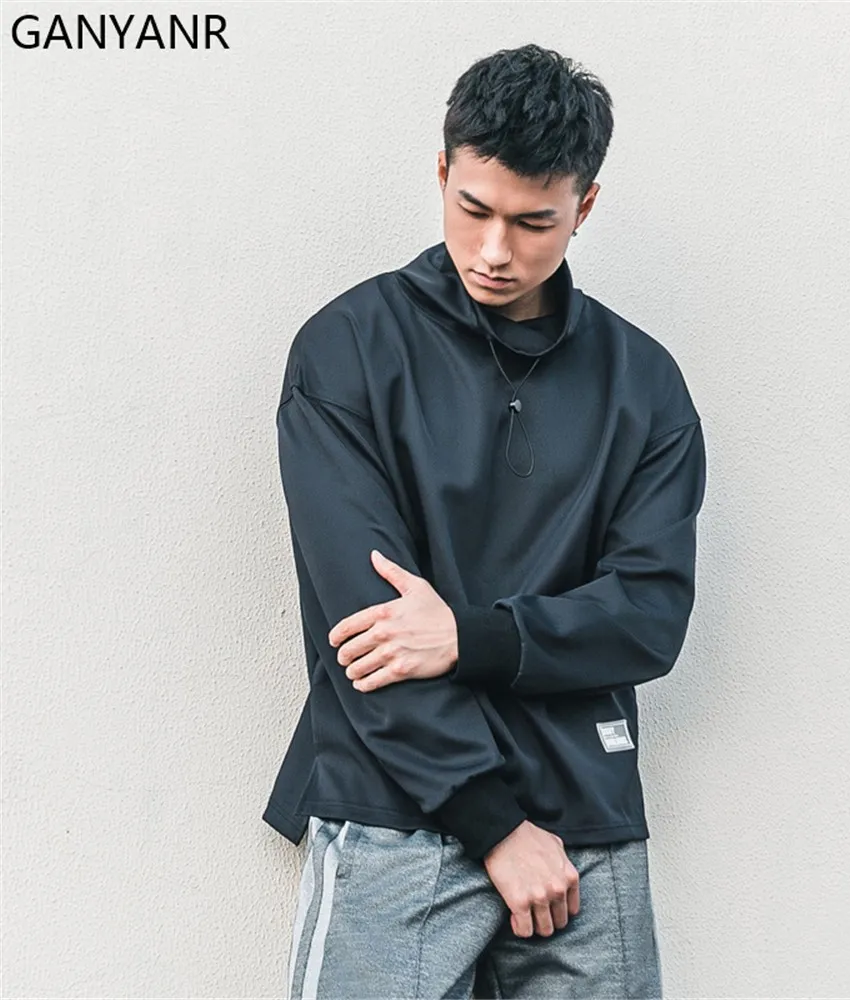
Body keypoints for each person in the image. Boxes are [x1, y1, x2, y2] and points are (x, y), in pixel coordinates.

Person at [263, 42, 707, 1000]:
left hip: (585, 822)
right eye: (473, 209)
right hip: (396, 810)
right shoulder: (348, 349)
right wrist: (496, 824)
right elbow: (368, 632)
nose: (495, 251)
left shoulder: (643, 384)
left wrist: (467, 636)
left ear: (585, 207)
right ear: (442, 173)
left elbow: (649, 618)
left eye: (533, 222)